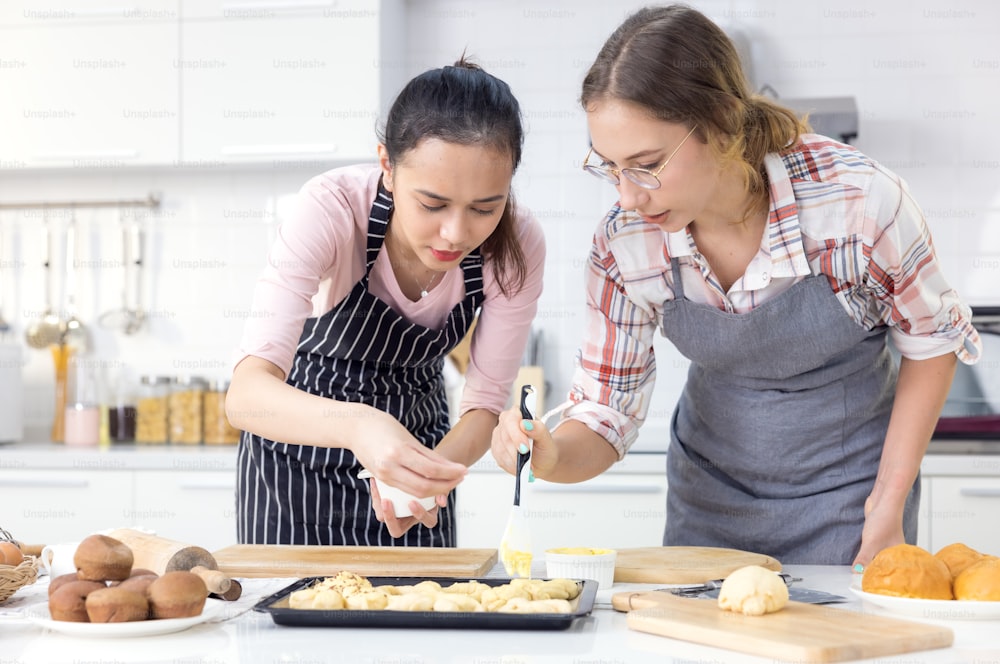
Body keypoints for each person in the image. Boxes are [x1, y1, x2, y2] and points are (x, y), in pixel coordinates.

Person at [490, 5, 981, 566]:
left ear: (721, 120)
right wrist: (548, 456)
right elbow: (605, 410)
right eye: (610, 167)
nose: (627, 196)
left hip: (853, 501)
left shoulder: (858, 202)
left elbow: (932, 341)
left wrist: (888, 506)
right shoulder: (625, 245)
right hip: (708, 503)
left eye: (646, 165)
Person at [227, 58, 544, 547]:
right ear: (387, 167)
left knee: (422, 617)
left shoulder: (517, 245)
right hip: (293, 470)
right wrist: (360, 425)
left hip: (422, 465)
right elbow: (246, 397)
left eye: (486, 207)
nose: (456, 233)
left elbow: (482, 408)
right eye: (432, 204)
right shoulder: (332, 209)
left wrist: (425, 481)